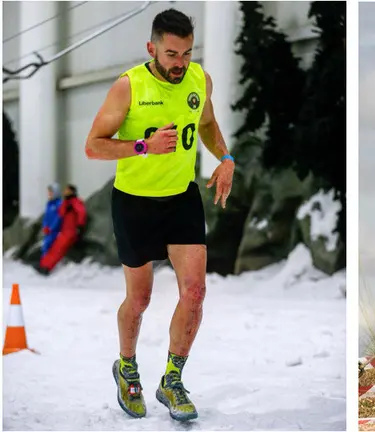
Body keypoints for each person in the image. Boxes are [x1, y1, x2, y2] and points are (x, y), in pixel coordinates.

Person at [84, 8, 235, 422]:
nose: (180, 63)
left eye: (186, 53)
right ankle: (126, 366)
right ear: (152, 48)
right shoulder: (128, 86)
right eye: (171, 54)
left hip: (181, 198)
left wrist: (226, 157)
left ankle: (172, 380)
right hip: (134, 202)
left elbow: (206, 123)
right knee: (141, 298)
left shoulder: (198, 80)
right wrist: (142, 147)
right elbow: (93, 146)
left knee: (196, 291)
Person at [37, 184, 88, 275]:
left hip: (70, 231)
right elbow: (60, 215)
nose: (65, 192)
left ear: (72, 191)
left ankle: (46, 267)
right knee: (55, 248)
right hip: (65, 231)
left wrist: (80, 226)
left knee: (58, 249)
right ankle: (43, 265)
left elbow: (81, 213)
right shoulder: (66, 203)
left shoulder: (74, 202)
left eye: (67, 190)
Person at [40, 183, 63, 259]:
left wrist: (51, 228)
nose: (49, 194)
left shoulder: (60, 204)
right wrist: (45, 226)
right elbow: (46, 217)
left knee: (49, 245)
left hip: (55, 231)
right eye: (49, 192)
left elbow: (58, 218)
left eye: (51, 192)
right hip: (48, 231)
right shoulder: (49, 204)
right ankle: (44, 262)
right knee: (45, 246)